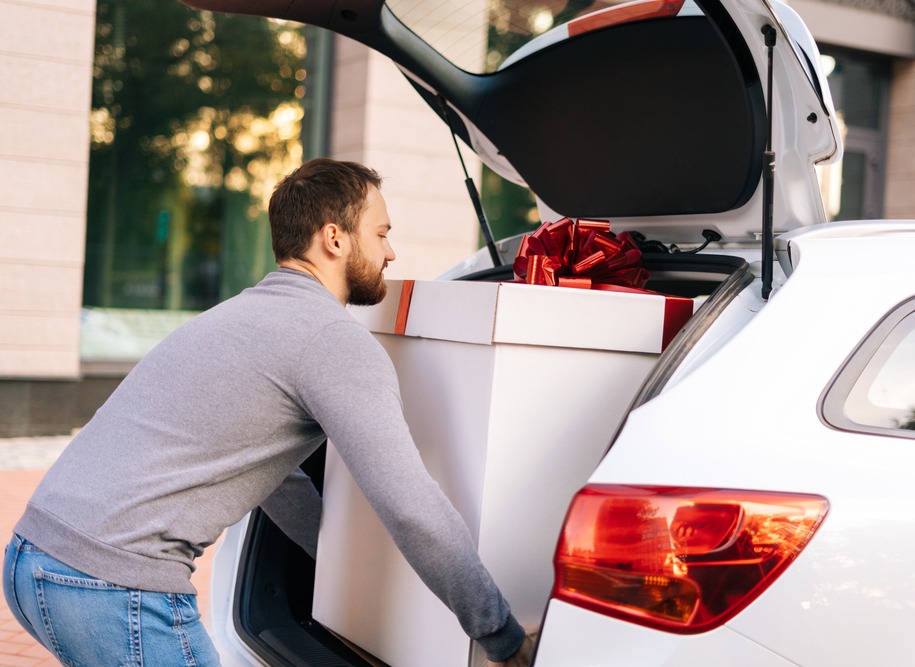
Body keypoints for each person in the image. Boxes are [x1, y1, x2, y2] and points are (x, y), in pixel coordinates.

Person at [2, 158, 533, 666]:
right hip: (111, 585)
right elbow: (410, 505)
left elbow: (278, 479)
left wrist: (332, 565)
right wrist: (500, 634)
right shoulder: (332, 339)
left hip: (34, 558)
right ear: (335, 238)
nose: (391, 252)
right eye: (382, 233)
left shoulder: (239, 315)